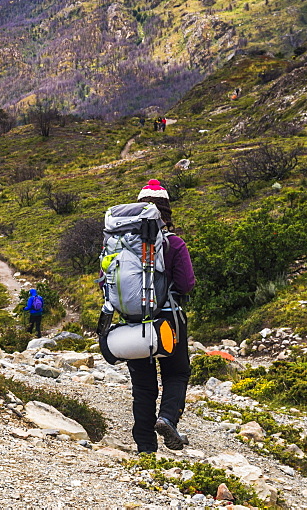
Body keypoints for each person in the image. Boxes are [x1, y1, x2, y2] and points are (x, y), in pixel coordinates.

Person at [127, 178, 195, 453]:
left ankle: (145, 447)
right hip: (168, 320)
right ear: (167, 211)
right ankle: (167, 417)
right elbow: (187, 284)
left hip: (132, 323)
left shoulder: (122, 244)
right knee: (176, 373)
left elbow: (104, 280)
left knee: (143, 385)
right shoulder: (174, 244)